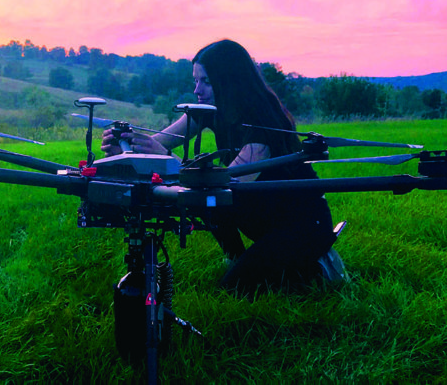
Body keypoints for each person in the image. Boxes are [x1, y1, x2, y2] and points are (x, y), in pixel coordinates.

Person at [101, 39, 344, 294]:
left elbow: (229, 183)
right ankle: (239, 259)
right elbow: (159, 142)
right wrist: (126, 147)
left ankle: (318, 267)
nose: (197, 90)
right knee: (211, 208)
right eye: (195, 81)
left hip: (300, 225)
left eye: (205, 81)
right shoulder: (211, 109)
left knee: (235, 288)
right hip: (262, 216)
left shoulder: (262, 122)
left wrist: (171, 162)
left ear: (229, 82)